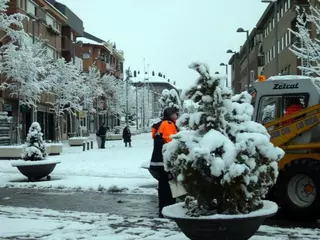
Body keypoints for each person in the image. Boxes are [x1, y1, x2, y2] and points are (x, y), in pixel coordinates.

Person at [149, 107, 178, 218]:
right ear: (170, 114)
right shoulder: (168, 124)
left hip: (158, 160)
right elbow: (171, 141)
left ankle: (163, 209)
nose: (177, 115)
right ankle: (169, 209)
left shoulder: (160, 124)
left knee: (163, 186)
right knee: (170, 187)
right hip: (166, 160)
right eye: (175, 113)